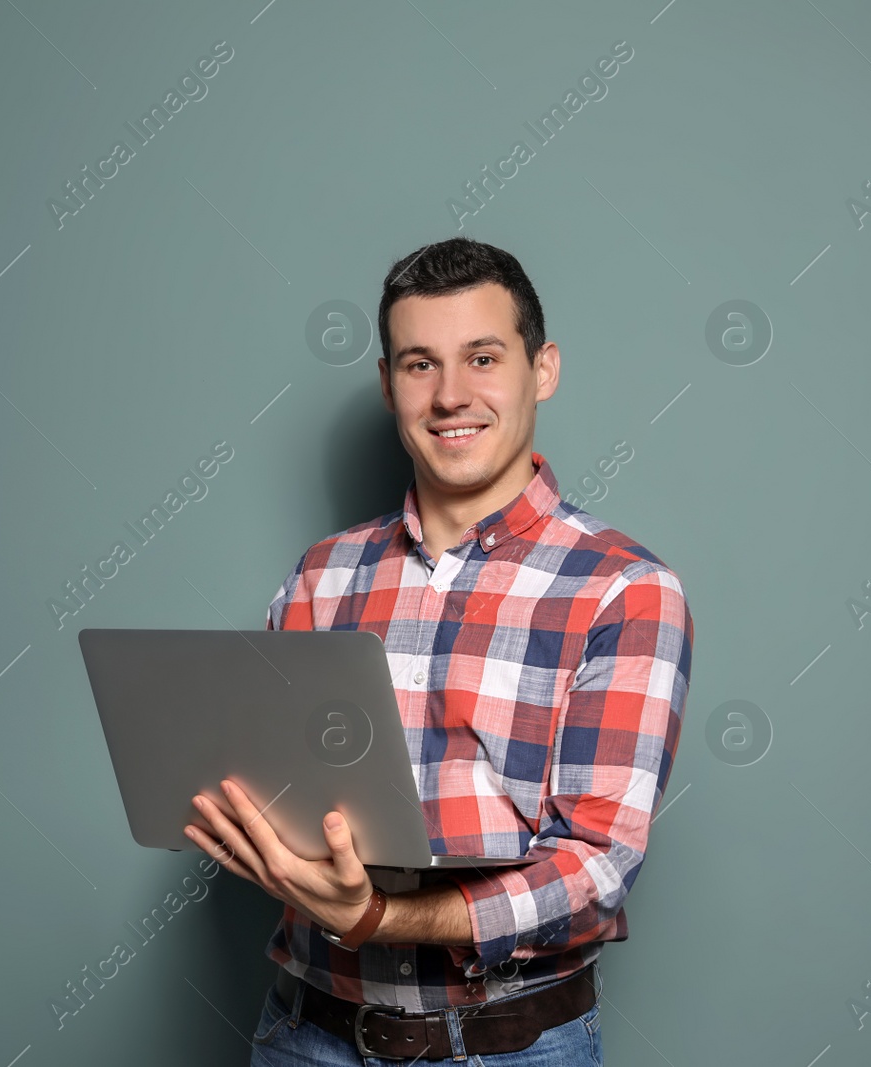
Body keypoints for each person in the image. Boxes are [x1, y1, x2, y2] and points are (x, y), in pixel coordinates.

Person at [185, 236, 694, 1064]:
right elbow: (277, 792)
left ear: (543, 369)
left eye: (483, 357)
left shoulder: (624, 589)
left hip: (507, 1048)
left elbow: (596, 866)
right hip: (304, 1036)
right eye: (420, 364)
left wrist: (381, 918)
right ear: (388, 385)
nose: (451, 395)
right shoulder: (322, 575)